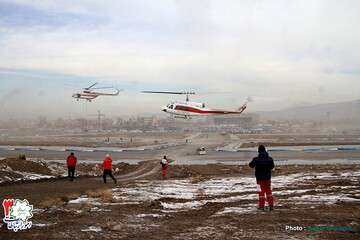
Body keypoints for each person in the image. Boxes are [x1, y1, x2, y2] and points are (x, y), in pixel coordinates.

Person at [249, 145, 275, 211]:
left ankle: (261, 207)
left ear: (259, 151)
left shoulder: (256, 159)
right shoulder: (270, 159)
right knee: (269, 191)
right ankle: (271, 206)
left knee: (261, 193)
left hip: (259, 179)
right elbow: (272, 166)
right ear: (265, 150)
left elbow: (251, 165)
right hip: (268, 178)